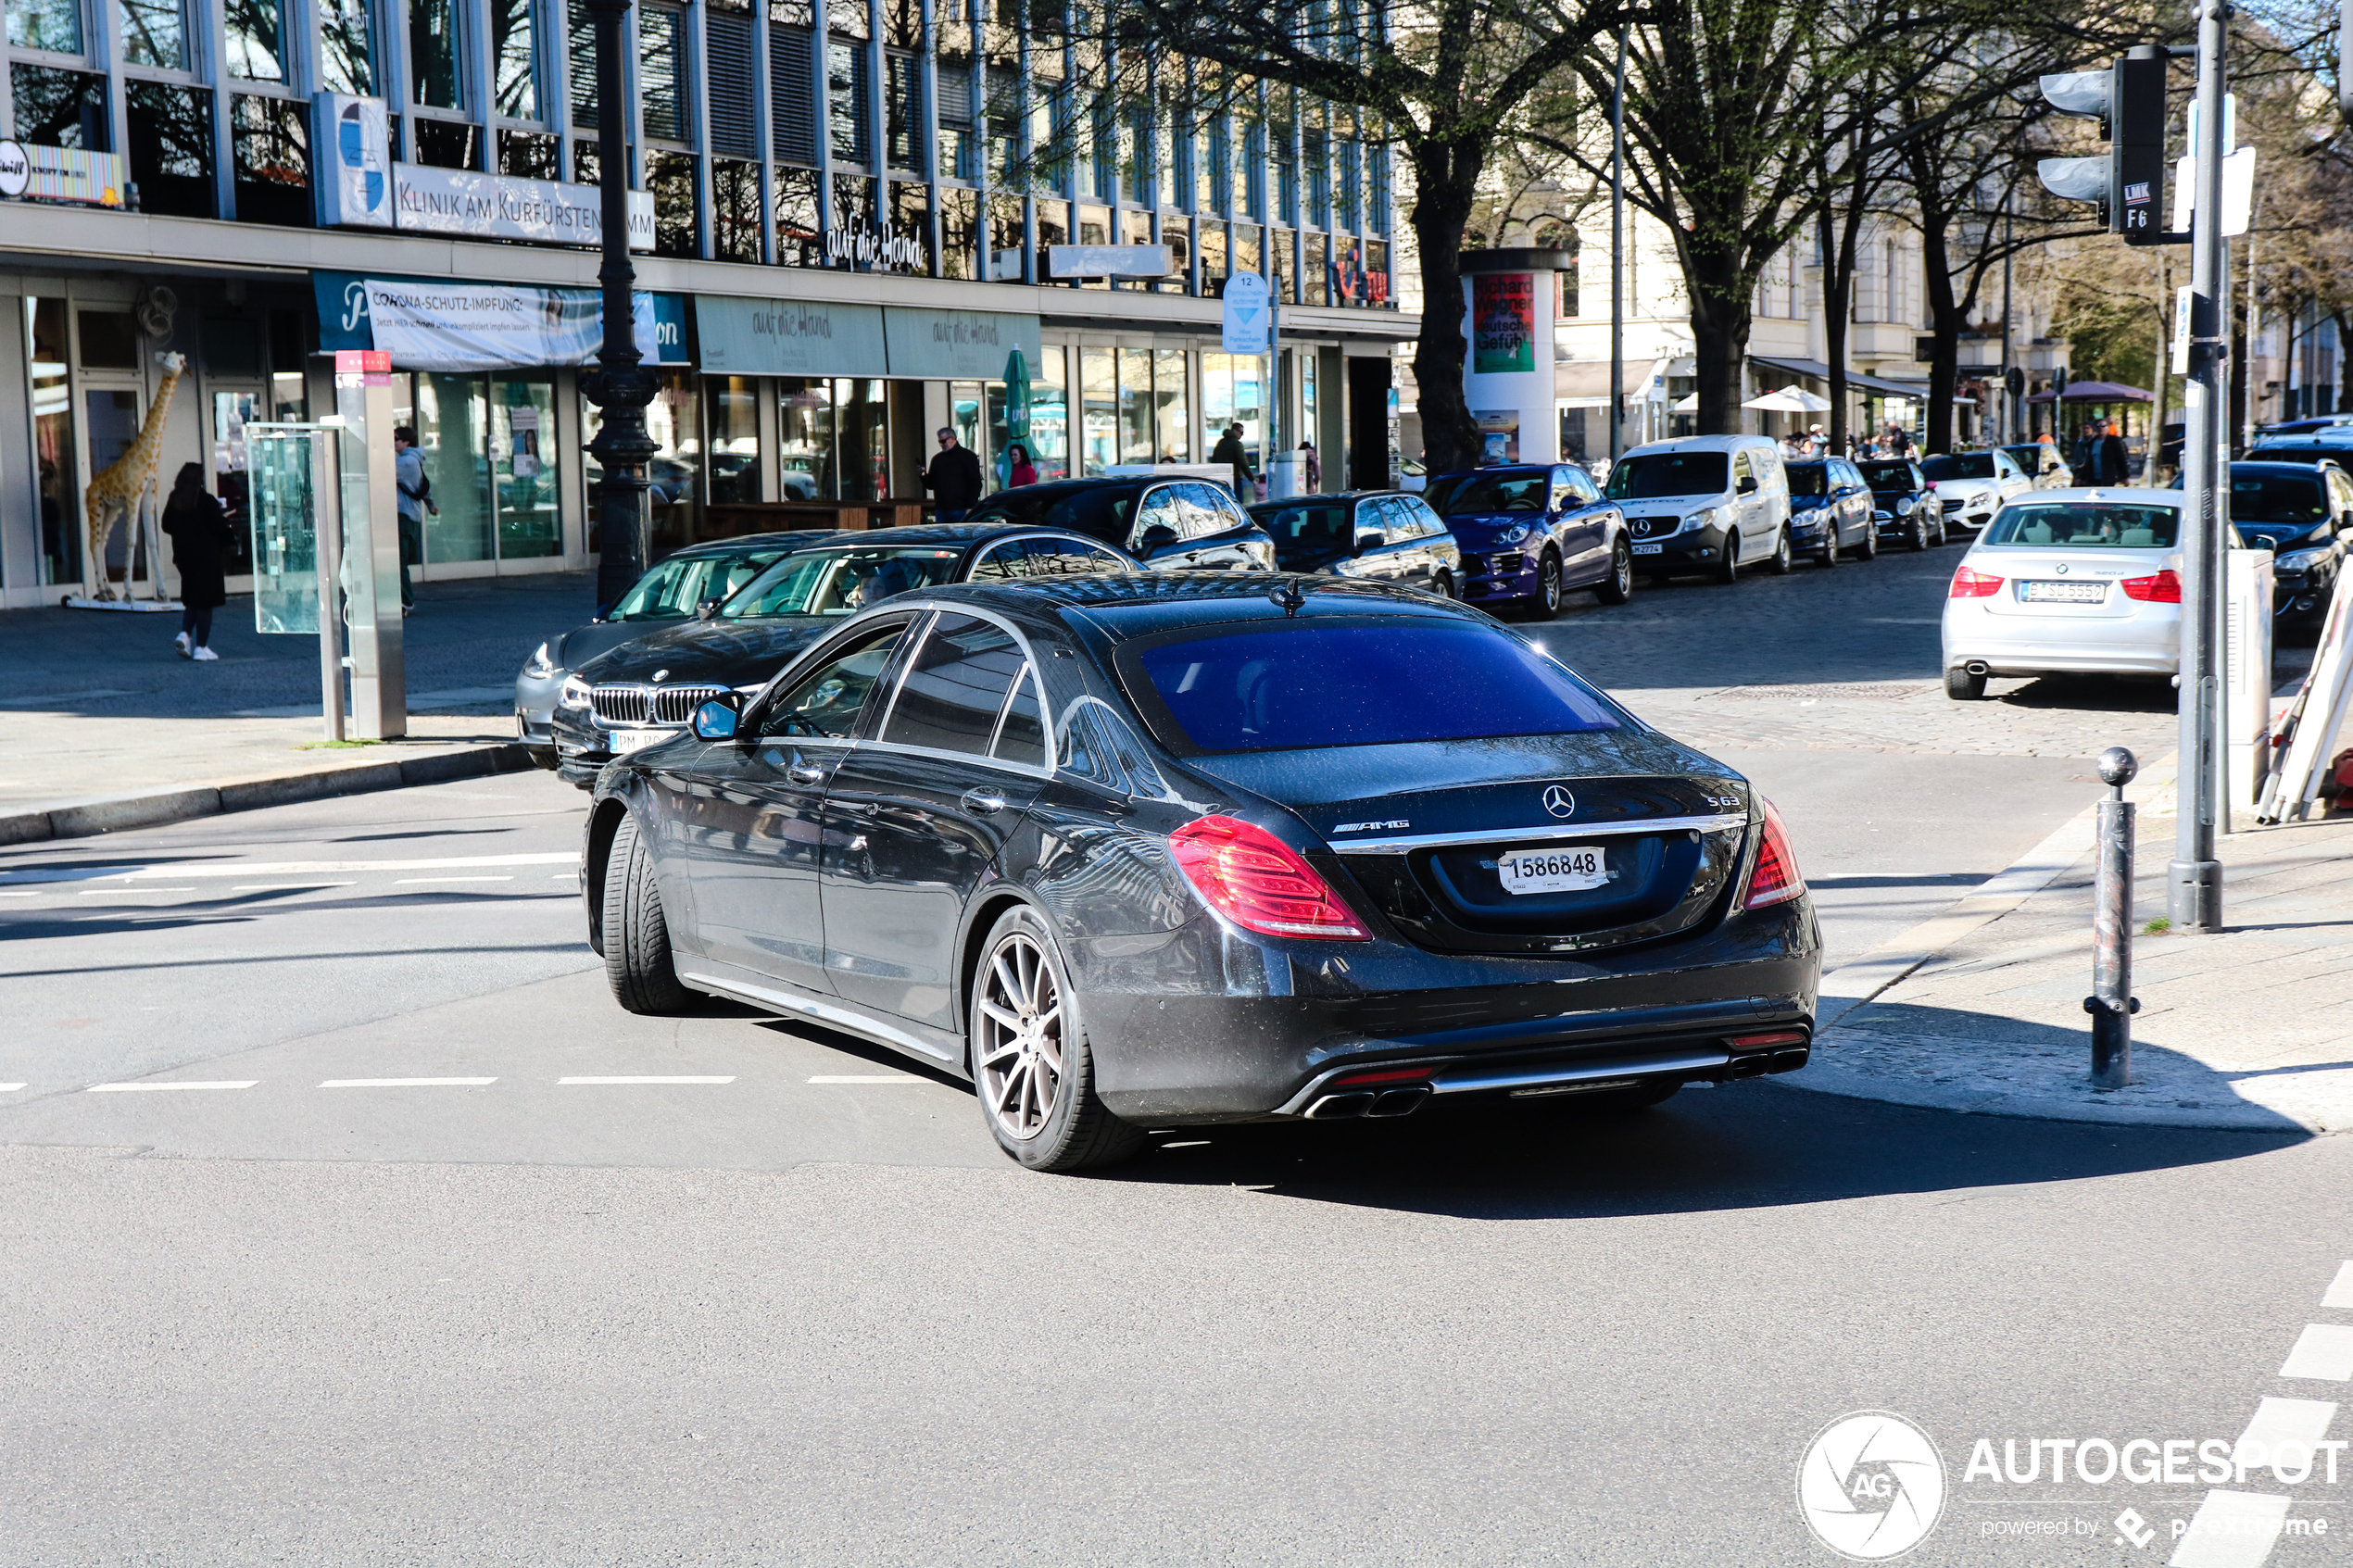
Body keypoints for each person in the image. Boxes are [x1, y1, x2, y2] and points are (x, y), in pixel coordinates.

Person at [159, 462, 233, 662]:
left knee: (192, 600)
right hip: (207, 558)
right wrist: (225, 522)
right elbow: (219, 528)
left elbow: (166, 525)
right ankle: (201, 647)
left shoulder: (175, 499)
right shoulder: (206, 501)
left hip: (184, 558)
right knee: (205, 604)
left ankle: (184, 634)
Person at [392, 426, 434, 614]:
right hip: (411, 515)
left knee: (398, 561)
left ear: (406, 442)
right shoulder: (415, 460)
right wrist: (431, 505)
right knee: (400, 560)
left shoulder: (406, 462)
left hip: (404, 515)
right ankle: (404, 600)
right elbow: (424, 487)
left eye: (396, 438)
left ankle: (405, 602)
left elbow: (380, 476)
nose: (393, 442)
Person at [923, 426, 983, 524]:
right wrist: (923, 475)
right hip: (942, 508)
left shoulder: (967, 457)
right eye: (940, 442)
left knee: (960, 535)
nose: (941, 445)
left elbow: (975, 483)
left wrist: (970, 506)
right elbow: (931, 484)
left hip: (961, 507)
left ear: (952, 439)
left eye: (943, 441)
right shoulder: (938, 459)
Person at [1212, 422, 1254, 500]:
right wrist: (1252, 478)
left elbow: (1214, 460)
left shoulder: (1220, 443)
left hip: (1221, 479)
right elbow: (1243, 462)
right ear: (1235, 431)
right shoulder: (1237, 444)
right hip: (1235, 478)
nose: (1242, 435)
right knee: (1237, 502)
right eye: (1241, 432)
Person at [2094, 419, 2130, 486]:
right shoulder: (2092, 442)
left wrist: (2125, 477)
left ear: (2108, 427)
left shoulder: (2114, 441)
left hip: (2111, 478)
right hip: (2094, 478)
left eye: (2103, 426)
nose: (2101, 428)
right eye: (2098, 426)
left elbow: (2121, 459)